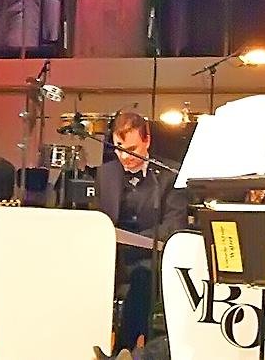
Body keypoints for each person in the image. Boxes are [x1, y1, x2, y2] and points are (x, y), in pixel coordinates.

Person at [95, 111, 188, 353]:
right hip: (113, 256)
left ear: (147, 140)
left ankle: (124, 349)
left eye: (132, 149)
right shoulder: (106, 174)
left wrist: (135, 241)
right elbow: (98, 220)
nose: (125, 156)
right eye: (119, 149)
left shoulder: (169, 175)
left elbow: (174, 226)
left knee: (142, 277)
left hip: (151, 257)